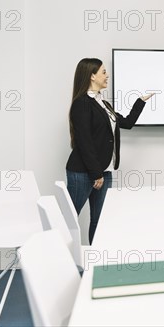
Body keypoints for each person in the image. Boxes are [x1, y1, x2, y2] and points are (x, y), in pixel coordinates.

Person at [66, 58, 154, 243]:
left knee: (99, 221)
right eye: (104, 72)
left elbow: (127, 123)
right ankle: (58, 262)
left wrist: (140, 101)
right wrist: (95, 173)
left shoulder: (103, 103)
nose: (107, 76)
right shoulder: (82, 103)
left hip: (103, 172)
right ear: (92, 75)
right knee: (69, 219)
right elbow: (84, 141)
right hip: (83, 172)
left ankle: (95, 263)